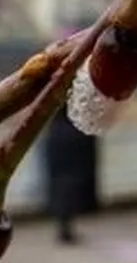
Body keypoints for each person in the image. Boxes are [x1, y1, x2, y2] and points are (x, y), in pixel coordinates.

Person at [41, 103, 100, 245]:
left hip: (57, 135)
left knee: (61, 181)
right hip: (75, 134)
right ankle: (66, 223)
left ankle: (64, 223)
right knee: (70, 181)